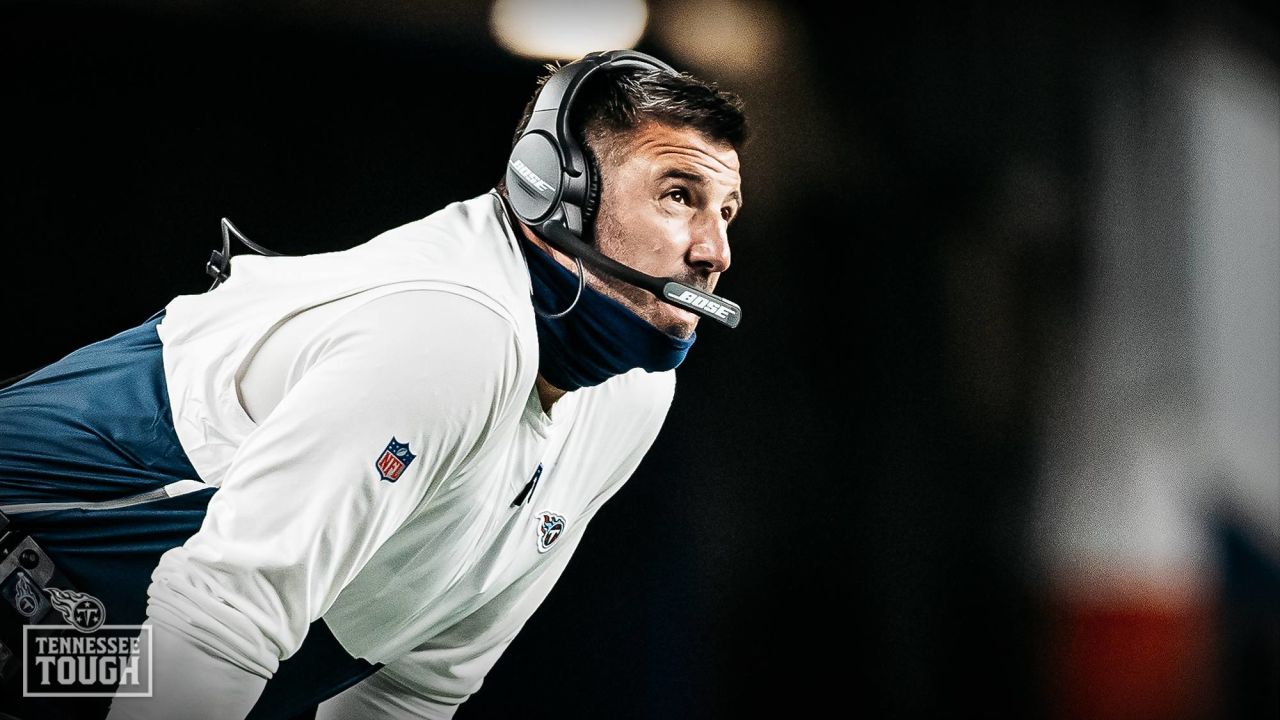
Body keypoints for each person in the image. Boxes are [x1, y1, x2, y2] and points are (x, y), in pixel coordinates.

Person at [0, 48, 747, 719]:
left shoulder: (630, 396)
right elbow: (223, 616)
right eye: (677, 195)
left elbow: (413, 687)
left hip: (98, 651)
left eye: (727, 212)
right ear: (550, 187)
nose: (714, 251)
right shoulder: (454, 328)